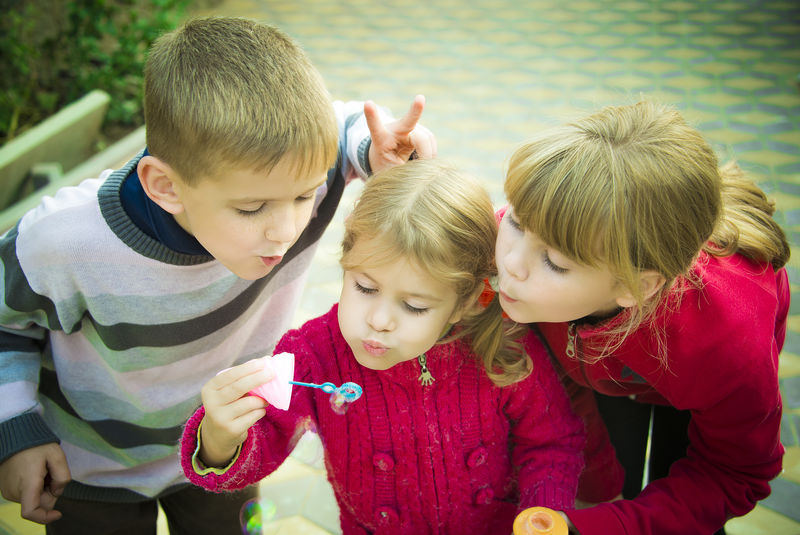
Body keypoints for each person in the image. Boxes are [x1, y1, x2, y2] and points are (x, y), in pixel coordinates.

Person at [0, 16, 436, 534]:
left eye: (305, 196)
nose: (287, 230)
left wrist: (377, 149)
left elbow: (347, 128)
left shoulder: (296, 168)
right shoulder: (63, 244)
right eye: (252, 208)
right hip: (92, 472)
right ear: (165, 186)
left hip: (226, 446)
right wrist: (16, 428)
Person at [180, 159, 586, 534]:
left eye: (414, 305)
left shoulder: (503, 347)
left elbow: (552, 442)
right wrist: (218, 439)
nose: (379, 320)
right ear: (346, 262)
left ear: (467, 301)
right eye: (365, 287)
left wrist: (543, 511)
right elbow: (264, 445)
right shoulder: (312, 356)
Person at [494, 100, 790, 535]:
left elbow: (734, 473)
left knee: (684, 494)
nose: (510, 266)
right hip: (609, 366)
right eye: (516, 223)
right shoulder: (552, 233)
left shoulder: (727, 342)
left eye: (554, 262)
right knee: (617, 475)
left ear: (635, 286)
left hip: (693, 381)